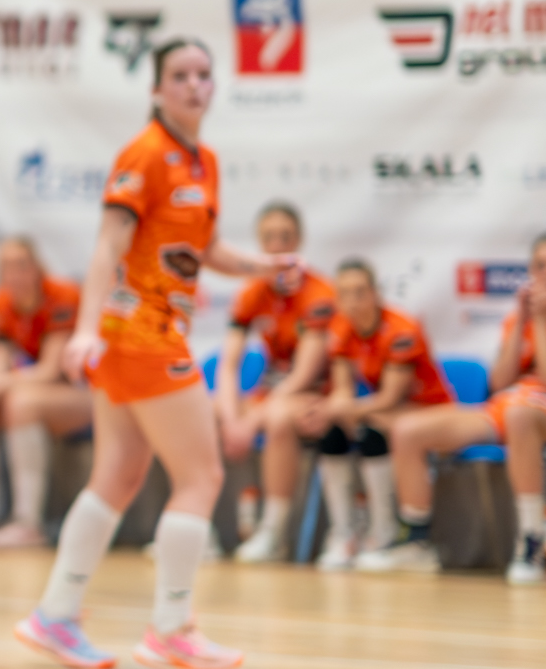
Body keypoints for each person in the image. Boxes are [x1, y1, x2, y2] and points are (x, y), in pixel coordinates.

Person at [14, 38, 291, 669]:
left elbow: (206, 248)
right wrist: (86, 328)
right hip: (142, 335)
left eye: (203, 74)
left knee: (117, 475)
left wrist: (263, 266)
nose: (194, 85)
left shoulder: (204, 161)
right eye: (180, 75)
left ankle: (55, 615)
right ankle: (171, 627)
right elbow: (108, 245)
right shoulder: (144, 154)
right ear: (157, 89)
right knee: (203, 476)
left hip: (147, 336)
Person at [388, 236, 546, 585]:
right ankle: (416, 541)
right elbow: (500, 382)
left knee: (519, 416)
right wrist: (522, 320)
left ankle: (531, 540)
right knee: (408, 429)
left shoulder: (541, 317)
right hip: (510, 405)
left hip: (534, 412)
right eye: (539, 265)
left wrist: (540, 320)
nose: (543, 273)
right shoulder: (518, 318)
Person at [319, 259, 455, 573]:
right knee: (333, 431)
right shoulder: (341, 328)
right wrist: (333, 410)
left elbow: (390, 397)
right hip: (390, 412)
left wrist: (342, 409)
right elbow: (342, 391)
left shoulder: (401, 329)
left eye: (360, 292)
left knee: (370, 430)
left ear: (375, 293)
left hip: (429, 410)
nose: (353, 301)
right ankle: (344, 533)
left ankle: (384, 532)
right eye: (344, 294)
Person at [218, 203, 336, 562]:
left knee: (278, 418)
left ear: (298, 240)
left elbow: (304, 374)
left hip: (313, 394)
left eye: (285, 237)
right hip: (270, 391)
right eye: (269, 237)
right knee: (202, 412)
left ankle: (273, 532)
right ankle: (199, 526)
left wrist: (251, 419)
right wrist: (231, 417)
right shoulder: (253, 291)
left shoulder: (318, 293)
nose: (277, 245)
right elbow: (228, 365)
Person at [0, 236, 87, 548]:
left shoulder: (62, 295)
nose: (14, 274)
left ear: (37, 267)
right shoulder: (1, 301)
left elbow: (51, 371)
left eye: (21, 265)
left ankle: (29, 523)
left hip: (89, 393)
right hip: (46, 391)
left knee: (21, 403)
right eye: (5, 266)